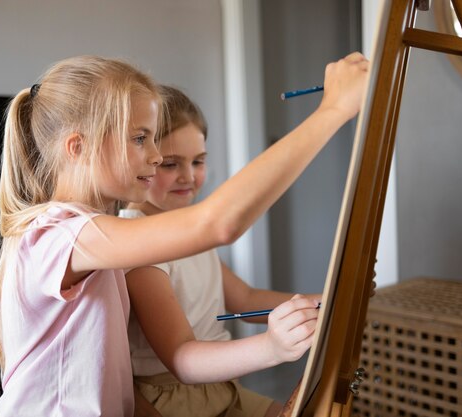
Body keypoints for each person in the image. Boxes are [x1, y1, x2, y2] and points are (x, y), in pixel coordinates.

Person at [0, 53, 369, 417]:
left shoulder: (96, 237)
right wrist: (332, 111)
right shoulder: (60, 234)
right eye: (140, 139)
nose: (154, 156)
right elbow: (219, 224)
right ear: (78, 147)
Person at [120, 85, 322, 417]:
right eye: (170, 164)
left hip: (220, 388)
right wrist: (272, 347)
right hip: (172, 399)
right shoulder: (137, 240)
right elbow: (181, 357)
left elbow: (242, 299)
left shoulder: (187, 227)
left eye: (198, 161)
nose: (188, 176)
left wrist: (323, 303)